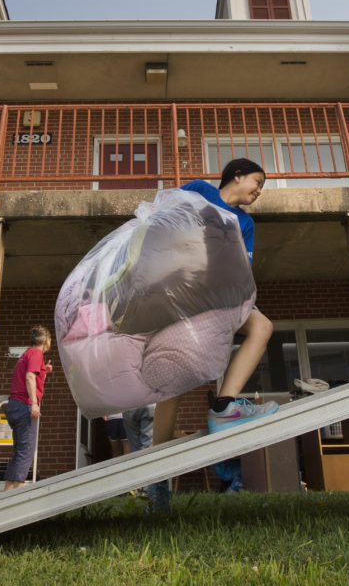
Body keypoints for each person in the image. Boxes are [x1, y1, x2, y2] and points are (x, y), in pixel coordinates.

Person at [145, 158, 279, 510]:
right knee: (176, 385)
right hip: (183, 292)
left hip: (218, 298)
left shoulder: (245, 222)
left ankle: (224, 405)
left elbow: (241, 267)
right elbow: (161, 217)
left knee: (261, 326)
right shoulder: (201, 189)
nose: (259, 190)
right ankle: (157, 479)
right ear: (237, 175)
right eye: (257, 181)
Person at [3, 325, 54, 491]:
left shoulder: (27, 354)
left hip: (14, 406)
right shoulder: (36, 353)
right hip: (24, 405)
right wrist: (34, 404)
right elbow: (30, 376)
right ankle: (18, 493)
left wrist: (44, 371)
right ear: (46, 341)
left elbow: (32, 374)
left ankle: (6, 494)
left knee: (19, 452)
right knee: (26, 451)